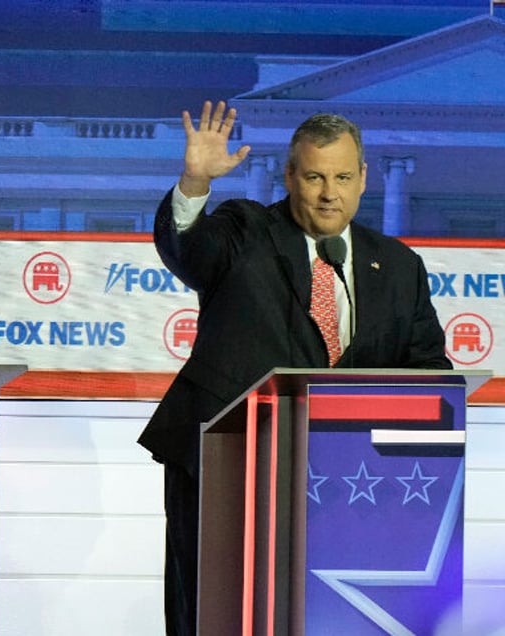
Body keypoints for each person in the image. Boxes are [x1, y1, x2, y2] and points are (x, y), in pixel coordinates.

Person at [137, 101, 452, 636]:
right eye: (314, 177)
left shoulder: (398, 265)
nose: (330, 193)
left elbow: (428, 369)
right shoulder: (244, 231)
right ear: (289, 176)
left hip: (353, 482)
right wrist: (193, 184)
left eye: (343, 177)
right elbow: (187, 249)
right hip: (229, 464)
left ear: (364, 179)